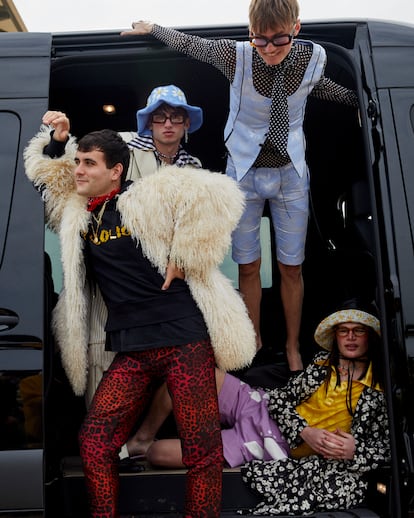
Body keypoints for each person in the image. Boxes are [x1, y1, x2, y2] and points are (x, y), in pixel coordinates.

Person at [24, 113, 256, 517]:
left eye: (89, 163)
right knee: (95, 442)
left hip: (183, 339)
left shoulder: (145, 196)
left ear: (115, 170)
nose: (79, 170)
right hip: (132, 347)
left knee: (201, 450)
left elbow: (220, 196)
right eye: (78, 161)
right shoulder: (80, 214)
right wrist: (60, 141)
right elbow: (49, 180)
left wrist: (186, 252)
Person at [121, 0, 359, 372]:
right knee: (248, 266)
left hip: (290, 174)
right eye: (260, 40)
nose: (268, 49)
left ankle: (293, 346)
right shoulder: (237, 56)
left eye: (278, 40)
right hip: (243, 174)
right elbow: (192, 45)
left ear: (295, 28)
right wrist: (154, 28)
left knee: (291, 266)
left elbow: (318, 88)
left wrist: (359, 99)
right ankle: (255, 340)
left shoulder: (314, 58)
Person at [87, 84, 204, 405]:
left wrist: (180, 256)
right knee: (104, 356)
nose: (167, 124)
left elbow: (196, 227)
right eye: (159, 117)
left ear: (186, 124)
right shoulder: (121, 147)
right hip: (116, 278)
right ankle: (110, 447)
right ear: (148, 122)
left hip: (165, 288)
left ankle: (143, 444)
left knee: (178, 367)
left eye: (176, 117)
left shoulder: (194, 168)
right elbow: (80, 170)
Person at [241, 298, 390, 514]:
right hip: (270, 428)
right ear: (335, 337)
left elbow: (389, 448)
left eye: (358, 330)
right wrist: (304, 431)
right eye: (343, 331)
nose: (350, 337)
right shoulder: (321, 366)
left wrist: (355, 451)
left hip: (326, 468)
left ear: (370, 336)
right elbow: (280, 399)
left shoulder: (379, 388)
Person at [125, 367, 290, 469]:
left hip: (262, 441)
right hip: (262, 405)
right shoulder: (316, 369)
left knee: (158, 453)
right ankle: (142, 438)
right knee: (186, 371)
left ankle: (192, 441)